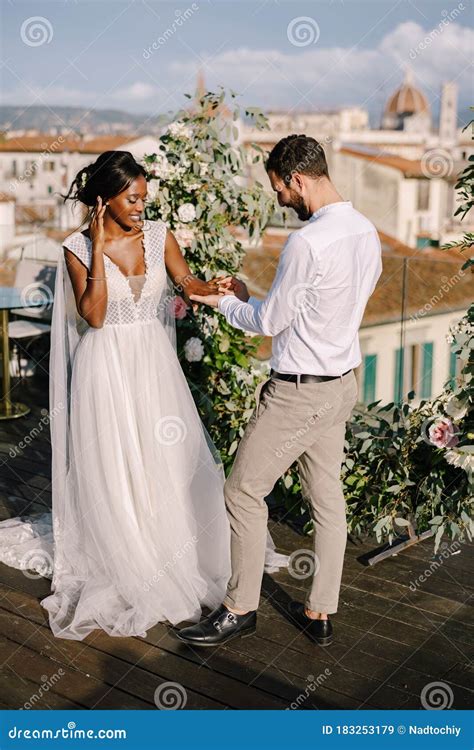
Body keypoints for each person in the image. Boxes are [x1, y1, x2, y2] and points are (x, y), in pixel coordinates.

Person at [0, 150, 286, 641]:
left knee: (164, 458)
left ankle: (168, 546)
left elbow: (187, 283)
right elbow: (92, 315)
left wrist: (212, 288)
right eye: (131, 199)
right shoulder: (73, 247)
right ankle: (124, 548)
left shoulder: (158, 236)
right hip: (103, 367)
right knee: (113, 459)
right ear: (104, 198)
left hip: (152, 364)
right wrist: (93, 247)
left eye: (144, 198)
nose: (140, 208)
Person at [176, 134, 382, 648]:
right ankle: (320, 612)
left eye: (278, 190)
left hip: (298, 394)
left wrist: (221, 302)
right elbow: (315, 308)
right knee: (328, 502)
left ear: (297, 178)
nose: (279, 200)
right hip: (341, 385)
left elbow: (270, 323)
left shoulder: (307, 241)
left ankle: (240, 607)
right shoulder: (365, 231)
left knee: (242, 491)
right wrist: (252, 296)